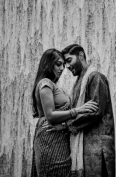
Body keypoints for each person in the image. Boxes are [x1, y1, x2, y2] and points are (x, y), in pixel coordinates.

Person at [31, 48, 98, 177]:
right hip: (50, 140)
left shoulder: (52, 85)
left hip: (58, 138)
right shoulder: (45, 84)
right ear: (47, 64)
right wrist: (78, 110)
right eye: (58, 64)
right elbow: (50, 116)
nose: (62, 68)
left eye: (63, 64)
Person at [60, 44, 115, 177]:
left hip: (99, 151)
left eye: (69, 60)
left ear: (81, 56)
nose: (67, 66)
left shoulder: (96, 77)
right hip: (85, 149)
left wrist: (69, 125)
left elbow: (95, 111)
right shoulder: (78, 82)